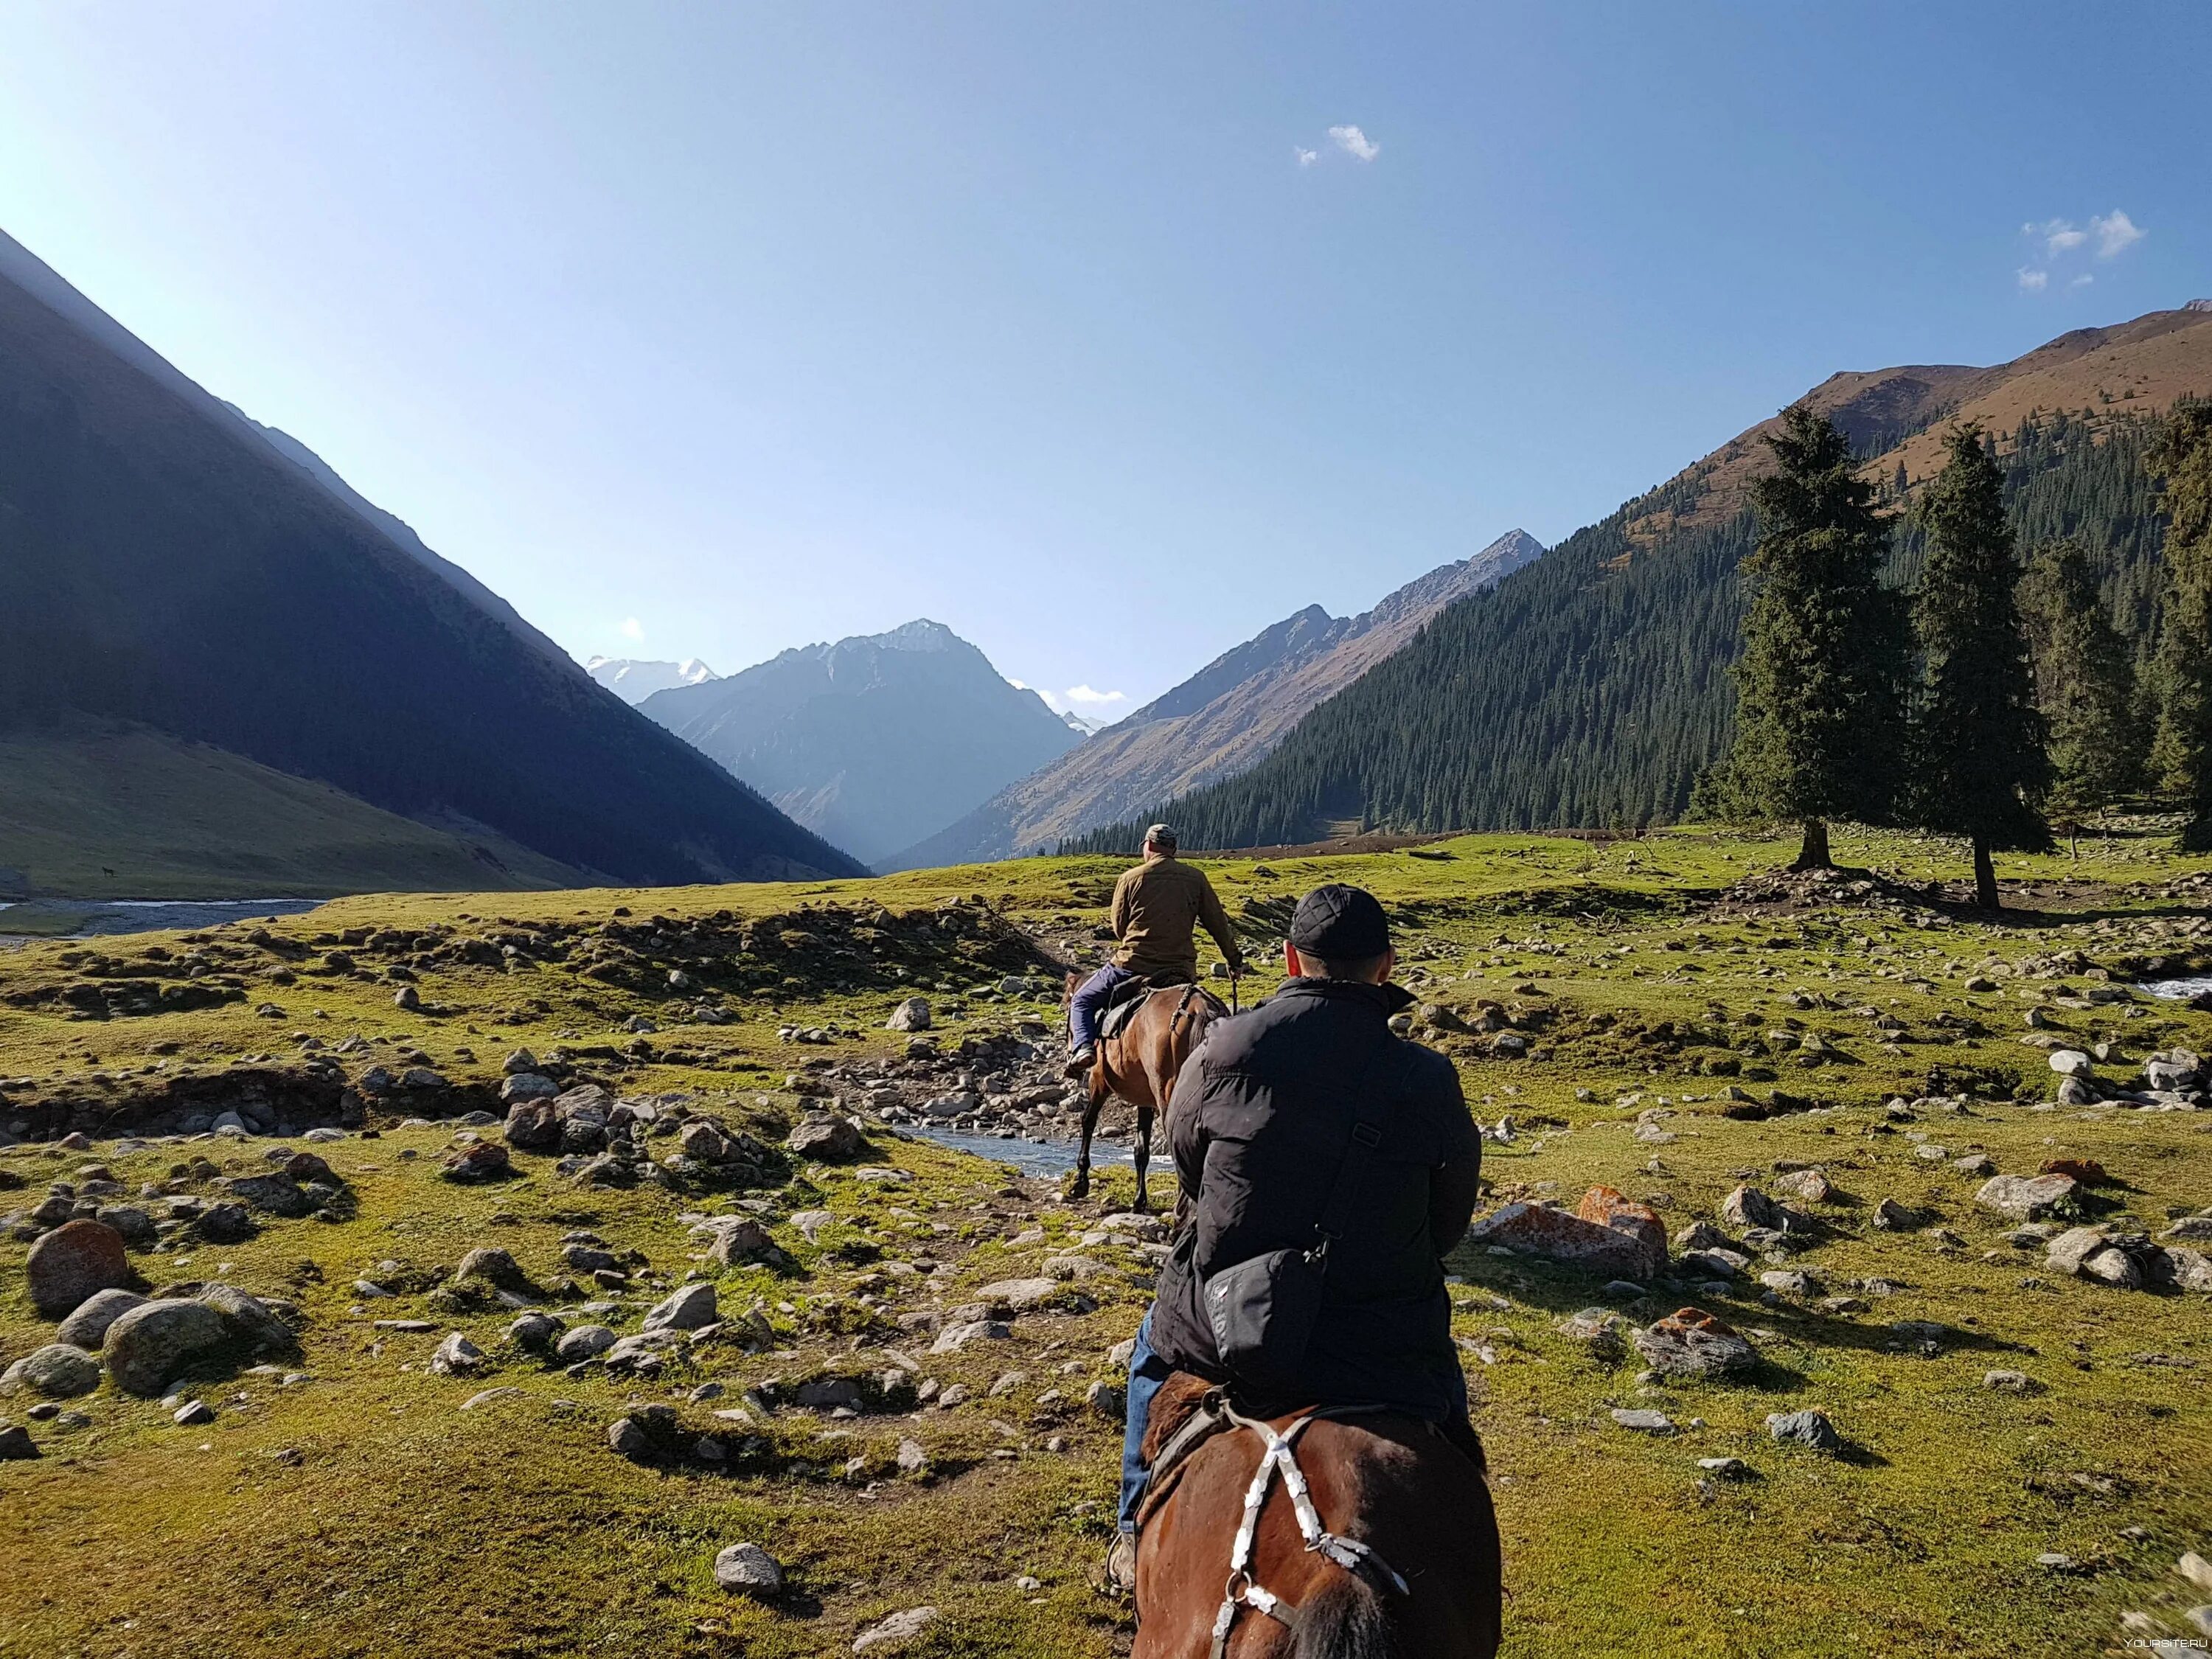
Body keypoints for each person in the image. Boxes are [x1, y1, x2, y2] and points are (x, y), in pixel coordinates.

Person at [1102, 882, 1483, 1594]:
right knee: (1447, 1407)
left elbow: (1186, 1160)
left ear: (1290, 959)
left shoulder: (1220, 1049)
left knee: (1152, 1350)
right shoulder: (1427, 1076)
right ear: (1386, 966)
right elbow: (1447, 1222)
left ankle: (1130, 1529)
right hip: (1380, 1328)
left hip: (1229, 1320)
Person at [1065, 823, 1245, 1078]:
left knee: (1082, 999)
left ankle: (1083, 1048)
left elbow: (1119, 927)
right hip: (1180, 969)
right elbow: (1218, 923)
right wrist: (1234, 960)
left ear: (1148, 847)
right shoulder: (1196, 878)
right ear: (1174, 850)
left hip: (1132, 966)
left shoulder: (1130, 878)